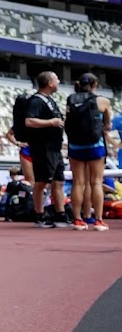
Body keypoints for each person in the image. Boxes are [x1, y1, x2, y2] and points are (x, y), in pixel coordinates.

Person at [64, 73, 112, 231]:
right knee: (96, 182)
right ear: (95, 84)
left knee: (78, 182)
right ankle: (98, 220)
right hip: (95, 146)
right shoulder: (103, 101)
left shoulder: (71, 99)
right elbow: (108, 126)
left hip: (75, 145)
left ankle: (77, 220)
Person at [25, 71, 70, 229]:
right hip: (43, 148)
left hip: (54, 148)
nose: (58, 82)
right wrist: (51, 122)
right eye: (56, 79)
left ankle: (60, 213)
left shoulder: (49, 100)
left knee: (58, 181)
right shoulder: (36, 101)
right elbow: (29, 121)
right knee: (42, 181)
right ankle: (39, 214)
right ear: (50, 83)